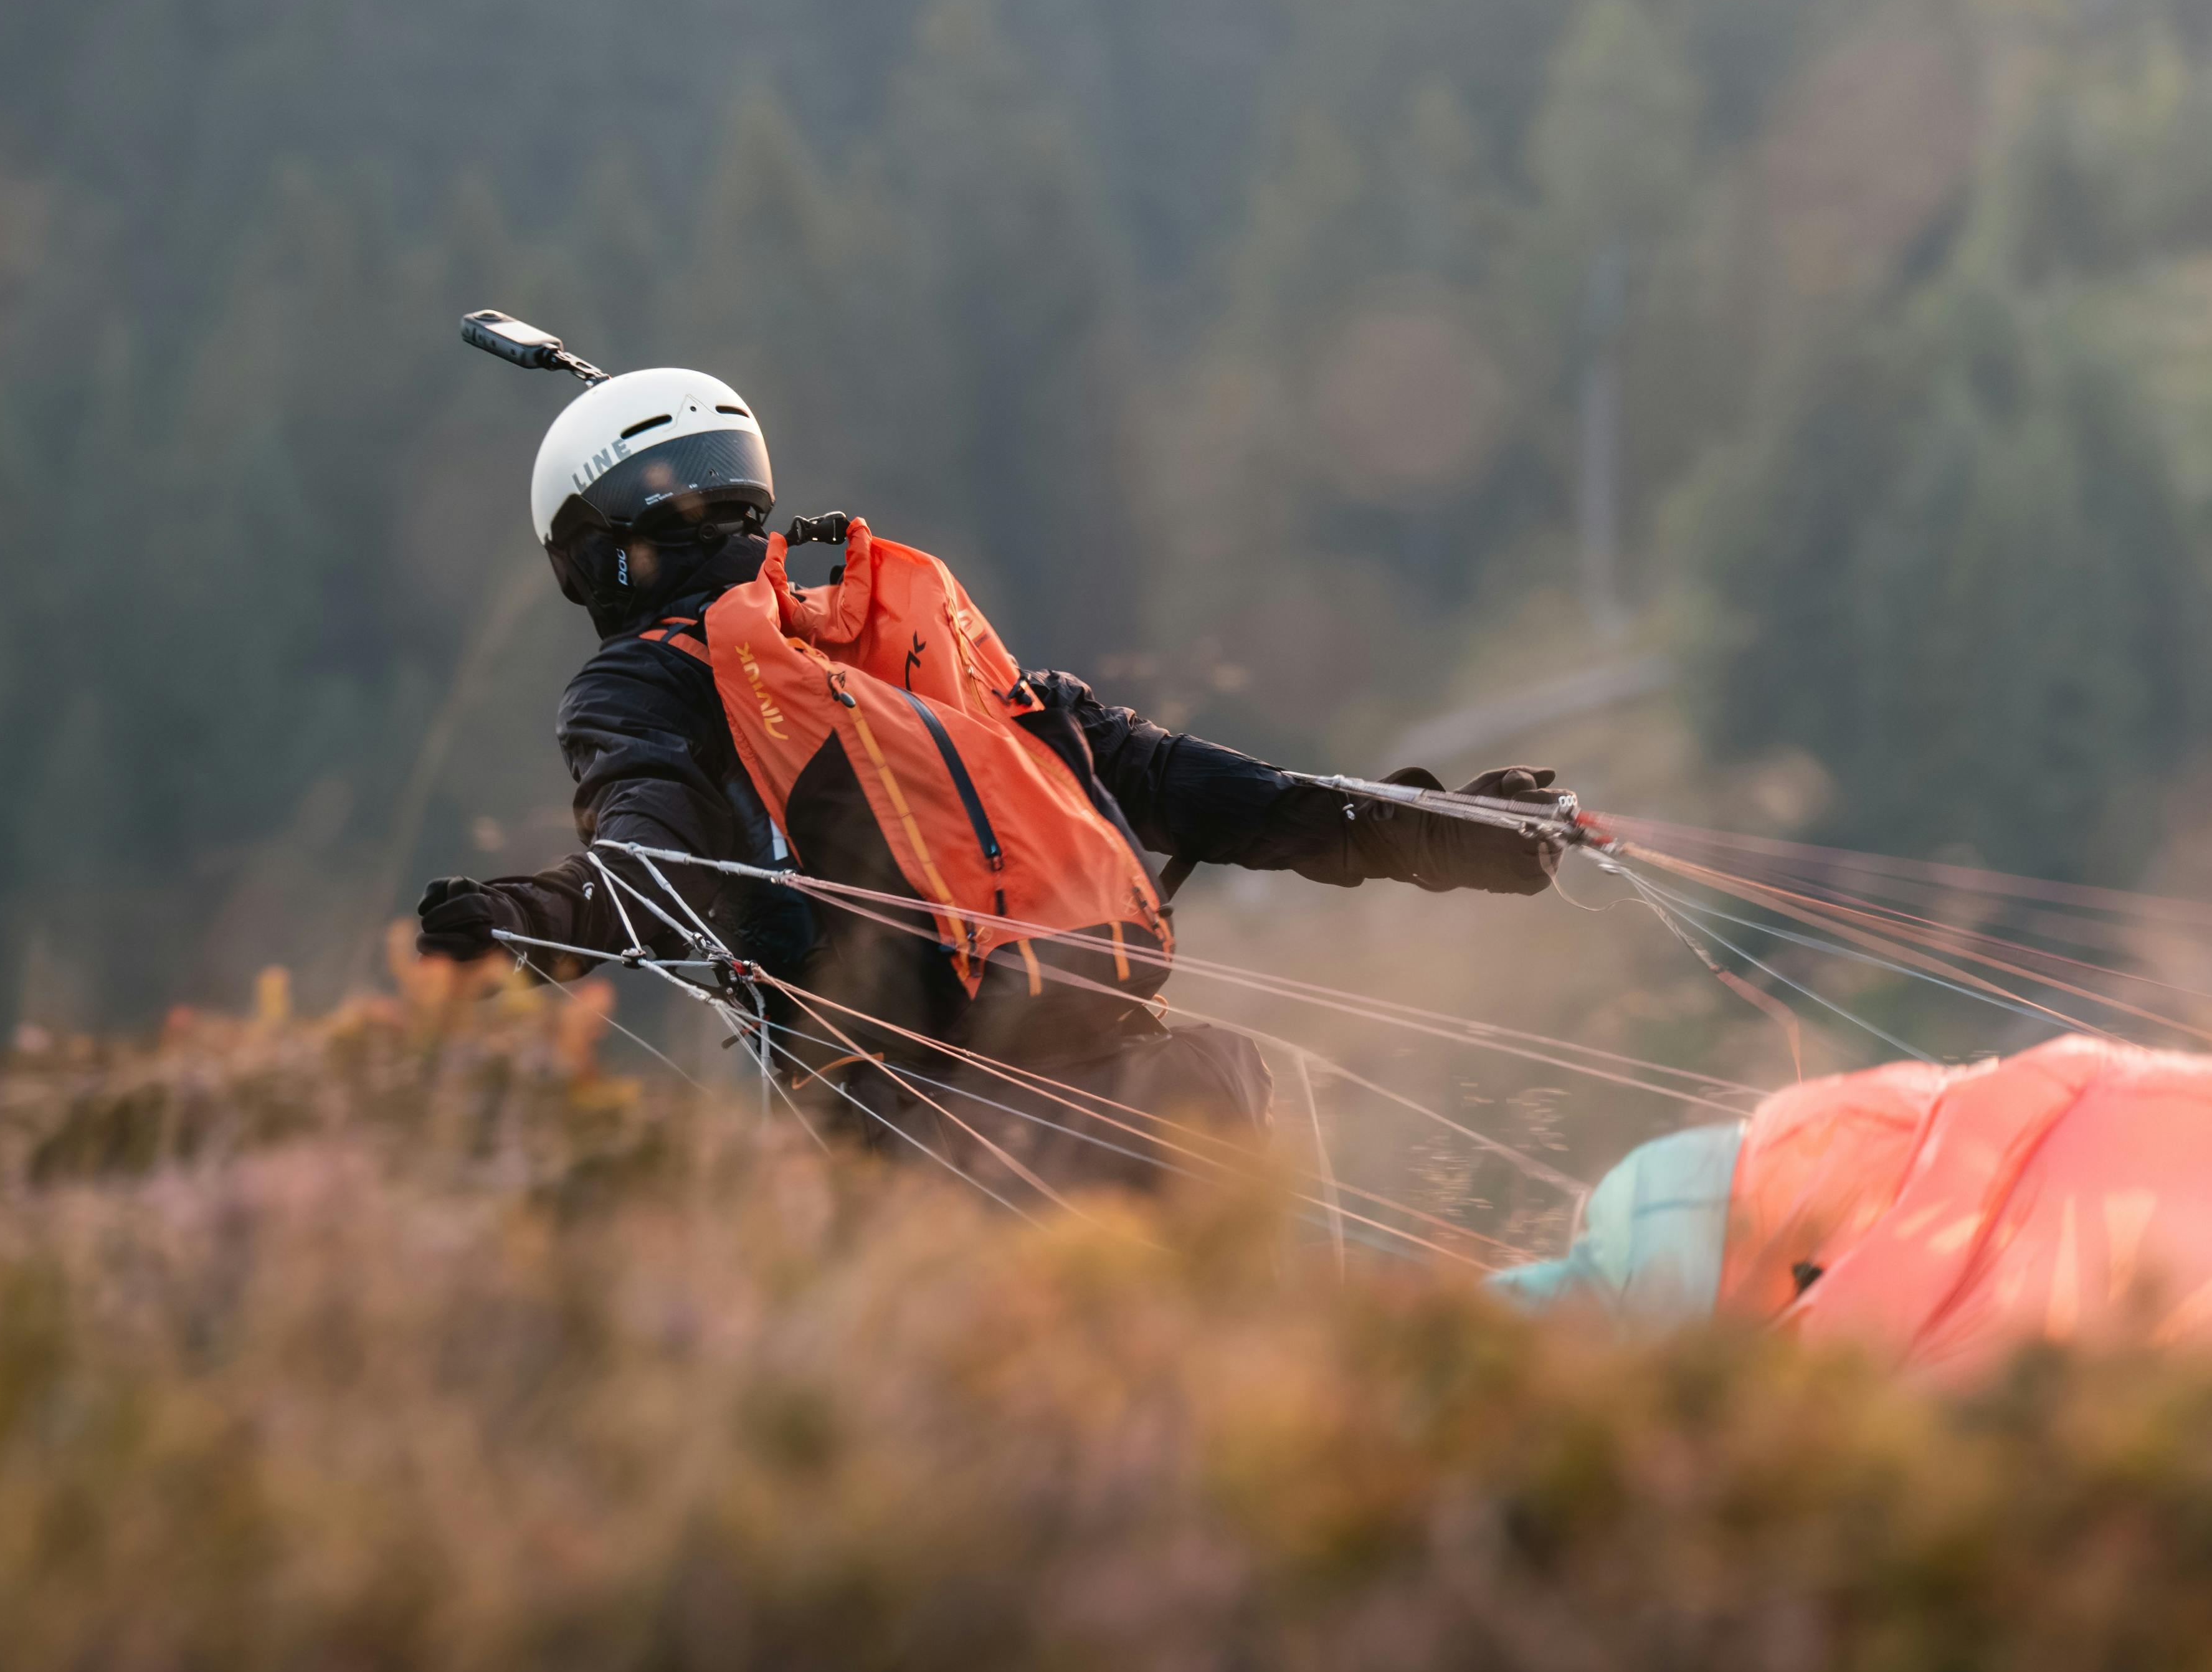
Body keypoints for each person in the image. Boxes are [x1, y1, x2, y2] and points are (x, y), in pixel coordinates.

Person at [413, 365, 1561, 1182]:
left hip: (934, 1148)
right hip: (1169, 1099)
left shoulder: (645, 680)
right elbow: (1204, 786)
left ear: (592, 554)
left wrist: (510, 924)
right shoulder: (900, 645)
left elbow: (651, 868)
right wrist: (1434, 827)